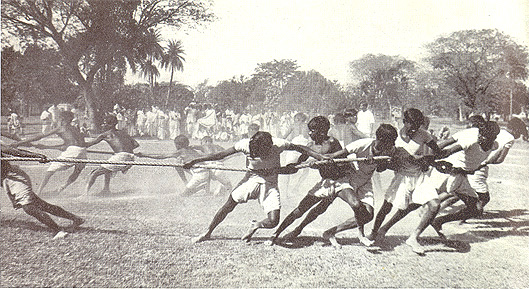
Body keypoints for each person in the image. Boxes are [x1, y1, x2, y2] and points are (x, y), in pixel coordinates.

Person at [184, 131, 328, 243]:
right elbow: (219, 155)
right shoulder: (244, 144)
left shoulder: (278, 144)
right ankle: (207, 233)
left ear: (269, 147)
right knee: (229, 204)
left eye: (258, 153)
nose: (254, 155)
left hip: (270, 183)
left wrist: (318, 156)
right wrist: (196, 160)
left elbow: (300, 148)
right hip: (251, 179)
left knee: (273, 221)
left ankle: (256, 225)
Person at [276, 124, 401, 248]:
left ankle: (332, 232)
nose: (393, 145)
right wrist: (317, 162)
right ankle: (297, 229)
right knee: (322, 206)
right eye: (391, 142)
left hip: (365, 182)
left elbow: (380, 169)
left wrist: (378, 160)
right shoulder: (362, 144)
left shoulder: (390, 149)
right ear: (380, 140)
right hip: (350, 177)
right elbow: (334, 157)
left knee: (367, 215)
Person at [267, 116, 356, 245]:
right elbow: (295, 167)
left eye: (312, 130)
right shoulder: (310, 146)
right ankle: (276, 234)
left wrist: (324, 164)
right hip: (325, 183)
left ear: (321, 132)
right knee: (300, 210)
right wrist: (275, 170)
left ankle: (330, 231)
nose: (309, 133)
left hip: (340, 182)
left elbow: (344, 164)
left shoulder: (332, 142)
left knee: (353, 206)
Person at [367, 108, 443, 254]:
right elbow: (382, 166)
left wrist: (426, 159)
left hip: (420, 176)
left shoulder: (424, 135)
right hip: (402, 176)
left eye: (417, 125)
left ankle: (413, 237)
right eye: (411, 125)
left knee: (435, 205)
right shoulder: (394, 137)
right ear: (404, 122)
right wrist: (389, 162)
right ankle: (374, 232)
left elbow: (437, 152)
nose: (414, 129)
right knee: (387, 206)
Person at [418, 121, 501, 238]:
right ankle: (415, 233)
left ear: (492, 137)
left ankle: (439, 221)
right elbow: (447, 151)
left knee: (476, 209)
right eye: (480, 134)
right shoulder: (471, 140)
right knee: (431, 200)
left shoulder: (494, 145)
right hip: (452, 172)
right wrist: (429, 159)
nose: (481, 138)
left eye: (484, 136)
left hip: (462, 176)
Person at [1, 144, 84, 239]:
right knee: (41, 205)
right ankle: (76, 219)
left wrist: (36, 156)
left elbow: (14, 151)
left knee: (28, 207)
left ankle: (58, 231)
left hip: (14, 178)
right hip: (6, 181)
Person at [13, 110, 88, 195]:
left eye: (59, 119)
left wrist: (18, 143)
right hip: (83, 151)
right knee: (77, 171)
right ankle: (61, 188)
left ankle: (38, 193)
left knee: (49, 171)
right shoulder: (75, 129)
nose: (58, 120)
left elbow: (40, 136)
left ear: (63, 119)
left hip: (73, 151)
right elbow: (68, 146)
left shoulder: (62, 128)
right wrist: (46, 147)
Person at [137, 135, 212, 195]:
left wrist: (144, 154)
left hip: (200, 174)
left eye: (176, 144)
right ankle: (189, 183)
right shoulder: (192, 150)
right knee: (177, 165)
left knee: (184, 195)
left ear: (179, 145)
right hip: (204, 172)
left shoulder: (181, 151)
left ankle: (202, 187)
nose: (175, 146)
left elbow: (161, 156)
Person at [84, 115, 139, 195]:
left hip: (121, 157)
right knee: (107, 170)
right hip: (131, 158)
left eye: (104, 123)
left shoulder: (105, 134)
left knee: (95, 173)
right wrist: (123, 150)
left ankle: (85, 194)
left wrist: (75, 144)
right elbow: (136, 144)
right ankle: (106, 190)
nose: (103, 125)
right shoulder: (123, 132)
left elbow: (90, 144)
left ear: (109, 124)